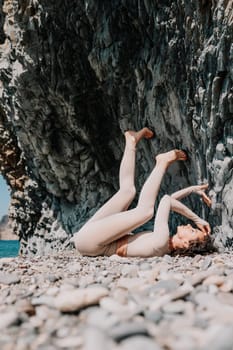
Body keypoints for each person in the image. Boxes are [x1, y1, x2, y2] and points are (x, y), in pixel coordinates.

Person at [73, 128, 212, 258]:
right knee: (127, 191)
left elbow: (166, 201)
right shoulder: (163, 245)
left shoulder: (161, 242)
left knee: (145, 211)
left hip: (90, 242)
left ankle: (162, 162)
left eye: (192, 231)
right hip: (89, 239)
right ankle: (131, 142)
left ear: (186, 244)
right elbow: (169, 200)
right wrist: (192, 189)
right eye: (194, 227)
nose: (189, 226)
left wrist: (196, 219)